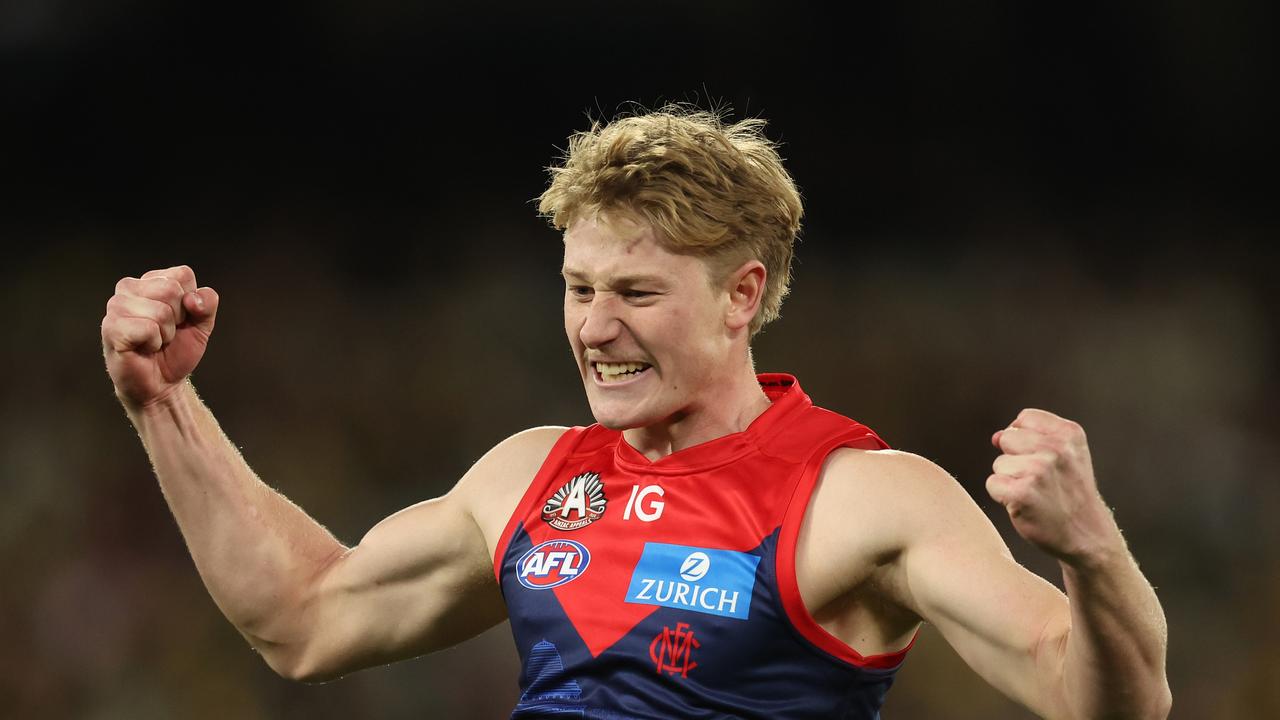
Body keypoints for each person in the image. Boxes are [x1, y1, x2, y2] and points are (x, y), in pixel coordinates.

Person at [101, 107, 1170, 719]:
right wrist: (164, 405)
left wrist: (1090, 553)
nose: (595, 328)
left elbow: (1099, 700)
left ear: (741, 295)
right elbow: (302, 618)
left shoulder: (857, 497)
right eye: (578, 289)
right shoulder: (532, 476)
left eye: (636, 294)